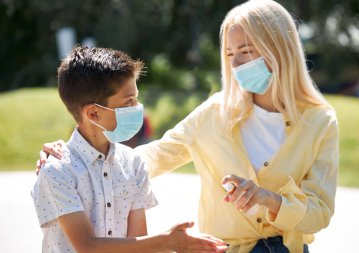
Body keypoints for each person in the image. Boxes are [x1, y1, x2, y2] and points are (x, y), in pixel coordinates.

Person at [37, 1, 339, 252]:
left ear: (279, 48)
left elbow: (320, 213)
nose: (236, 65)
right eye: (231, 54)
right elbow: (151, 158)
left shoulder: (320, 122)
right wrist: (74, 156)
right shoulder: (214, 113)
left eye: (246, 51)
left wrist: (268, 199)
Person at [32, 45, 228, 253]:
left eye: (136, 98)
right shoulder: (58, 171)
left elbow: (138, 244)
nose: (137, 108)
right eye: (128, 102)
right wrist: (168, 242)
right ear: (93, 113)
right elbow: (86, 246)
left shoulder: (133, 163)